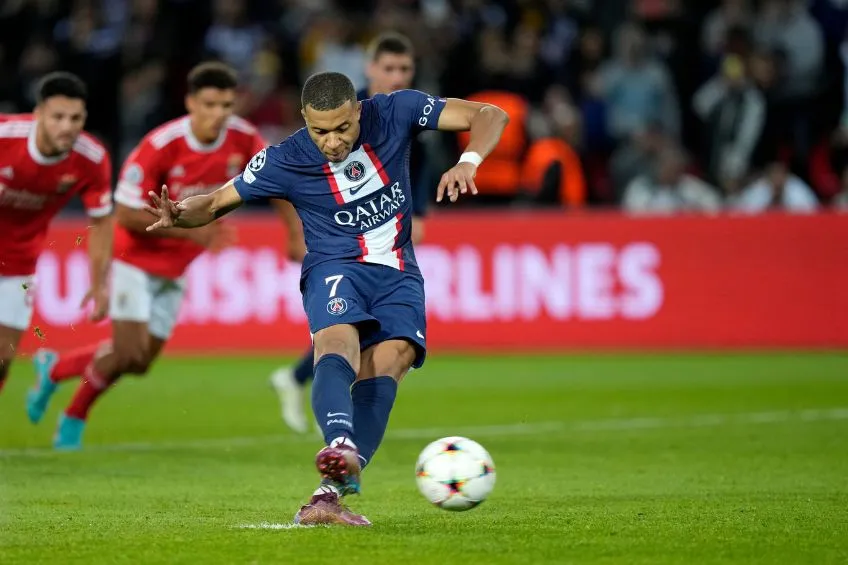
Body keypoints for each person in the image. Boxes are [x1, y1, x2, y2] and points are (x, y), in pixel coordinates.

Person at [145, 71, 508, 525]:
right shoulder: (284, 159)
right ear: (304, 120)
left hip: (398, 270)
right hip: (335, 267)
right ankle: (339, 442)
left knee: (393, 359)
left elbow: (490, 114)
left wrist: (470, 160)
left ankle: (327, 498)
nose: (332, 142)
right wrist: (179, 213)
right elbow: (217, 202)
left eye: (342, 128)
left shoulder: (395, 111)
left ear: (358, 110)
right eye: (320, 131)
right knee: (337, 343)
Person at [25, 62, 281, 450]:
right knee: (126, 351)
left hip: (176, 268)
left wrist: (297, 231)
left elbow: (279, 175)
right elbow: (124, 213)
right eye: (210, 104)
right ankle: (73, 417)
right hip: (136, 261)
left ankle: (54, 368)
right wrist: (194, 233)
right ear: (191, 102)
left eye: (227, 105)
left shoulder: (243, 137)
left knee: (140, 363)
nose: (219, 114)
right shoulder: (160, 145)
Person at [269, 32, 438, 434]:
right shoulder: (340, 110)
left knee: (366, 338)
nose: (397, 76)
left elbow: (418, 171)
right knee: (345, 332)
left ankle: (306, 390)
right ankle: (311, 394)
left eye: (405, 69)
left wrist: (416, 215)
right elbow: (297, 170)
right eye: (389, 68)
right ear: (370, 69)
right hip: (339, 249)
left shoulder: (405, 117)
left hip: (386, 242)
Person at [0, 72, 113, 395]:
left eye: (75, 118)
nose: (67, 126)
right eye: (58, 117)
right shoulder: (5, 136)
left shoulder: (91, 159)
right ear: (38, 115)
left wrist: (99, 283)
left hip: (18, 264)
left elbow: (102, 221)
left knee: (3, 358)